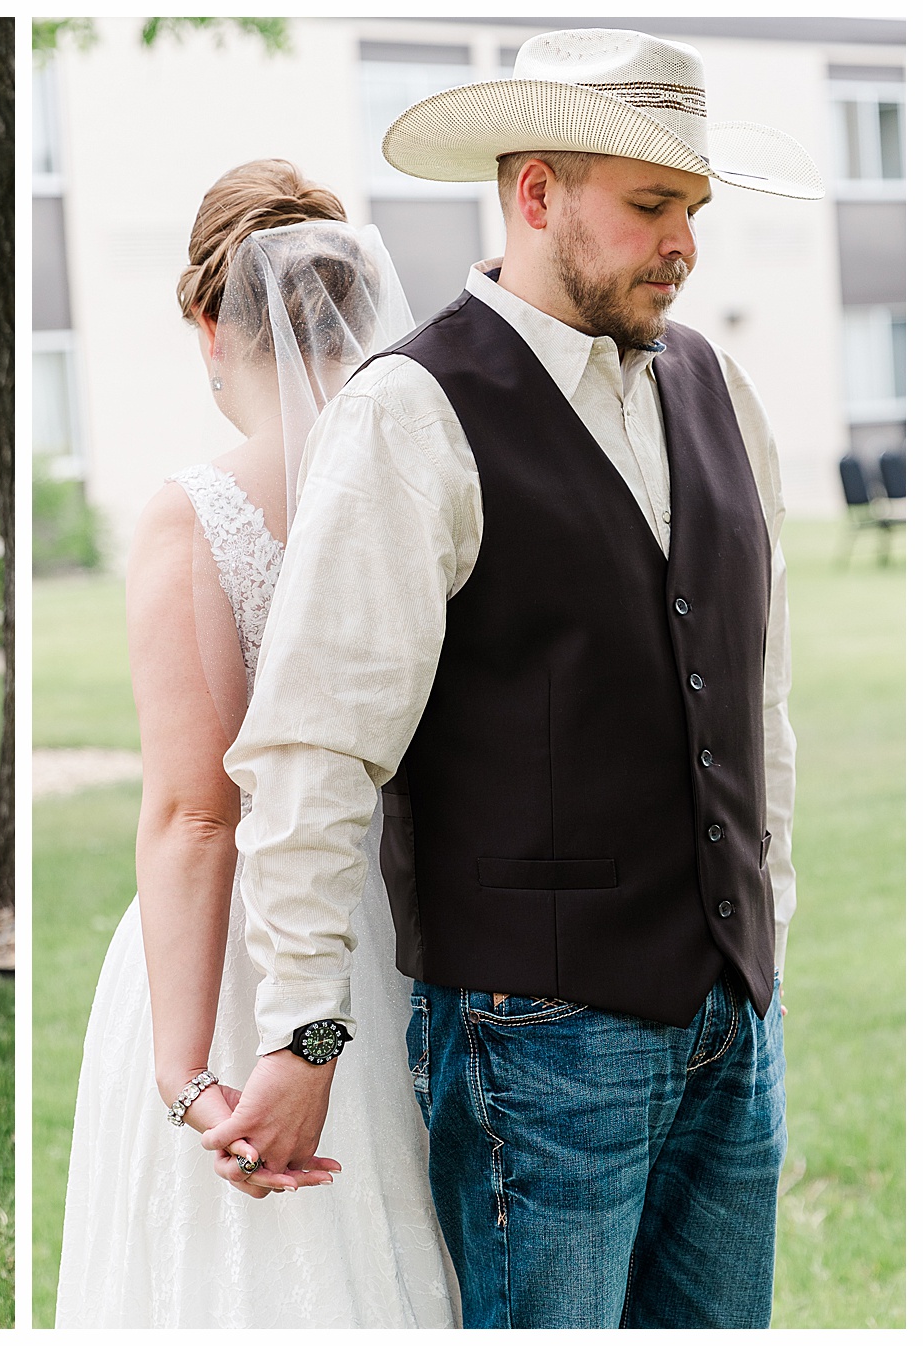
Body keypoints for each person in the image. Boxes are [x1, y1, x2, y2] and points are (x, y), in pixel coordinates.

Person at [214, 30, 815, 1329]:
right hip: (536, 1041)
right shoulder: (412, 411)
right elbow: (316, 743)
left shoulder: (719, 386)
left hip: (732, 1021)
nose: (684, 244)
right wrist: (304, 1022)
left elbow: (750, 691)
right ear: (537, 193)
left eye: (693, 211)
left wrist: (771, 919)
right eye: (652, 206)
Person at [56, 161, 458, 1328]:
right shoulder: (418, 479)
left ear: (206, 323)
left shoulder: (199, 512)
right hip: (387, 938)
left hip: (245, 965)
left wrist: (189, 1079)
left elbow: (197, 815)